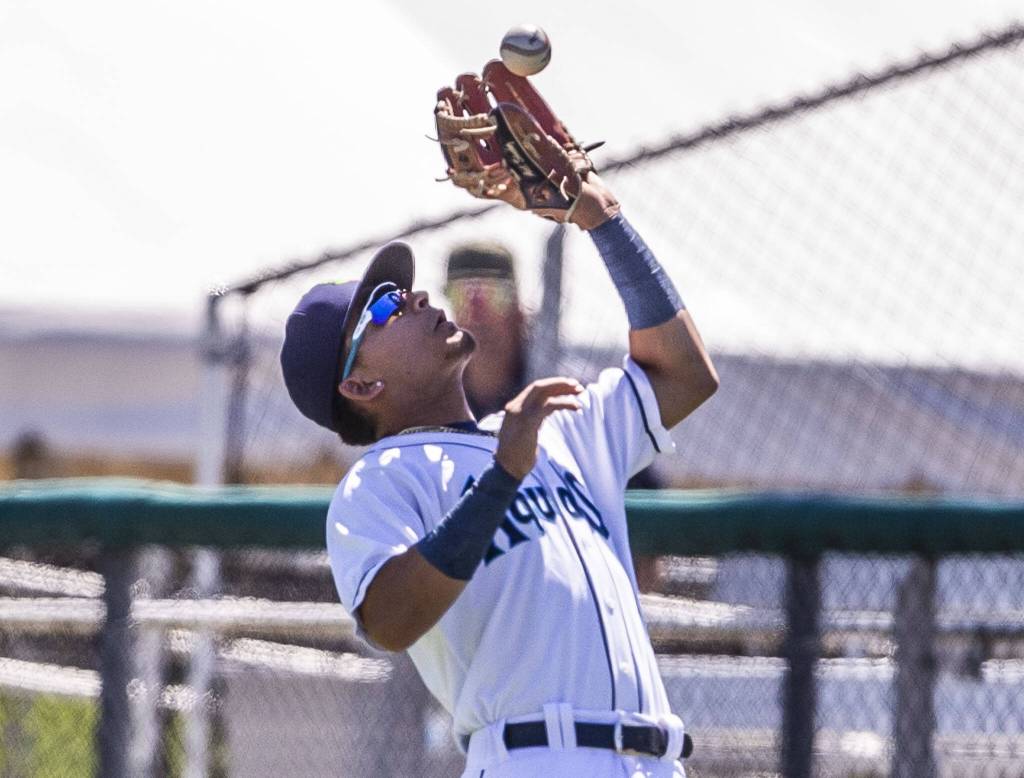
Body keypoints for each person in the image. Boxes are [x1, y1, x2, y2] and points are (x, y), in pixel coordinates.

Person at [280, 174, 718, 777]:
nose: (417, 300)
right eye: (383, 310)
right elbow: (388, 619)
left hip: (656, 759)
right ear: (360, 386)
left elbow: (686, 374)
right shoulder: (379, 482)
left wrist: (602, 220)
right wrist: (502, 477)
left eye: (405, 293)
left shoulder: (555, 428)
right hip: (533, 757)